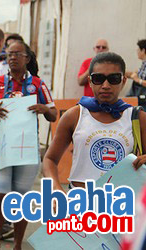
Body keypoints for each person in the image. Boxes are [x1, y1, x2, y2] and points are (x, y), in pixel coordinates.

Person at [43, 52, 146, 192]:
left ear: (123, 81)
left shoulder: (137, 117)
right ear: (90, 81)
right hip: (80, 203)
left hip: (122, 205)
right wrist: (55, 188)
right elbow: (49, 160)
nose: (105, 85)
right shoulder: (74, 116)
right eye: (98, 78)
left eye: (113, 79)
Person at [0, 41, 57, 250]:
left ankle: (17, 244)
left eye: (17, 54)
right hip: (1, 147)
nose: (12, 58)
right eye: (9, 54)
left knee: (20, 199)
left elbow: (54, 115)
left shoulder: (37, 84)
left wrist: (43, 108)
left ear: (27, 58)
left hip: (26, 148)